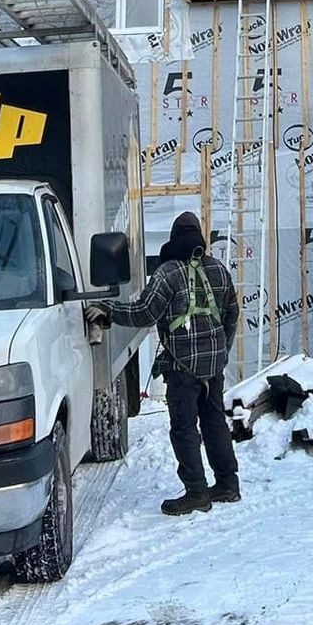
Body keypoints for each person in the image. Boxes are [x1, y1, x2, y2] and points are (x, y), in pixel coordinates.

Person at [92, 211, 241, 515]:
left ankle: (197, 492)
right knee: (214, 423)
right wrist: (221, 351)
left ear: (174, 238)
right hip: (213, 366)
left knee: (184, 428)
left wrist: (108, 310)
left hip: (183, 367)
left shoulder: (168, 273)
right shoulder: (219, 271)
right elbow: (232, 313)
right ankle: (227, 484)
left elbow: (144, 314)